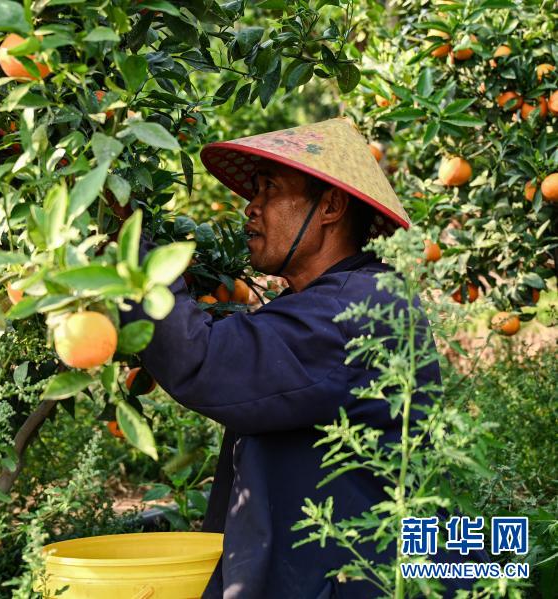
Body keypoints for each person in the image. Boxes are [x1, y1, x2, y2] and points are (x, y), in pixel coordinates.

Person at [119, 119, 465, 597]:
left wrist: (127, 245)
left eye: (270, 190)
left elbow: (206, 361)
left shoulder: (355, 311)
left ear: (330, 206)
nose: (251, 208)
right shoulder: (331, 300)